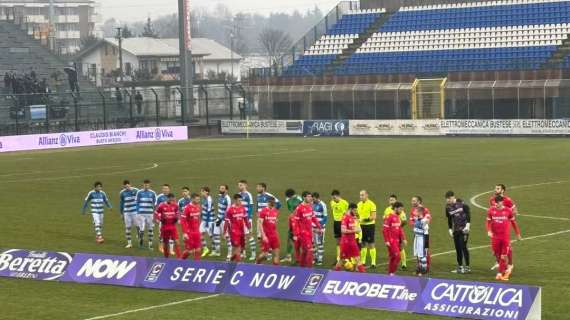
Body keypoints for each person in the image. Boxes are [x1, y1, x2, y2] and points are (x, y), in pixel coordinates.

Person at [487, 196, 522, 281]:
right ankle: (505, 268)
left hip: (505, 237)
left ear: (502, 202)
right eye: (496, 203)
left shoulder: (508, 211)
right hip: (495, 237)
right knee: (496, 254)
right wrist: (488, 231)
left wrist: (518, 233)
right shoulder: (491, 210)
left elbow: (513, 222)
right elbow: (488, 221)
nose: (497, 205)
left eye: (498, 203)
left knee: (503, 256)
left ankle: (499, 273)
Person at [489, 184, 517, 273]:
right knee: (495, 249)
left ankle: (510, 264)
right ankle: (499, 263)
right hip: (495, 227)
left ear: (503, 190)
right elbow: (492, 211)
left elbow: (515, 210)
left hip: (504, 227)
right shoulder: (492, 199)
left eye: (498, 188)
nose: (495, 190)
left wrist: (508, 218)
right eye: (495, 188)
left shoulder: (507, 200)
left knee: (507, 247)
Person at [292, 192, 322, 268]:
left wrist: (319, 227)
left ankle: (301, 267)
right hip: (303, 233)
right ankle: (309, 269)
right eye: (308, 197)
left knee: (305, 251)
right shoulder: (299, 208)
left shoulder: (309, 207)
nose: (310, 198)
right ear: (304, 197)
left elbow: (313, 218)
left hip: (309, 232)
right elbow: (296, 222)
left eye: (310, 197)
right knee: (310, 250)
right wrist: (296, 234)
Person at [445, 191, 471, 274]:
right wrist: (449, 229)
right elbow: (449, 219)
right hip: (456, 230)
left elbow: (468, 214)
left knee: (463, 247)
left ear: (453, 197)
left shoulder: (462, 203)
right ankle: (460, 267)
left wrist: (467, 226)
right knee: (457, 248)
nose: (447, 200)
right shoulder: (448, 207)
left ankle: (467, 267)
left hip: (464, 230)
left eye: (449, 198)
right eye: (446, 199)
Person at [335, 203, 366, 272]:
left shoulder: (352, 218)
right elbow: (343, 230)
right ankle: (333, 274)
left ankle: (365, 277)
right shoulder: (345, 217)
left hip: (353, 242)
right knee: (342, 260)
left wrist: (357, 221)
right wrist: (354, 230)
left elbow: (358, 230)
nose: (356, 212)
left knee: (358, 259)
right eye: (354, 210)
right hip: (345, 242)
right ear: (350, 209)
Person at [256, 183, 282, 261]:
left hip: (267, 219)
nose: (257, 188)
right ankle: (266, 251)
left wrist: (273, 214)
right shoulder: (258, 196)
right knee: (260, 238)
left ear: (263, 188)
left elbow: (279, 204)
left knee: (267, 235)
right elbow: (257, 206)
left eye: (258, 187)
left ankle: (268, 253)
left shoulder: (269, 196)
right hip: (260, 219)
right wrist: (257, 212)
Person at [225, 194, 251, 262]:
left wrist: (249, 229)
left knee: (242, 249)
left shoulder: (242, 208)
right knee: (238, 248)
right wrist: (225, 232)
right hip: (234, 232)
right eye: (239, 200)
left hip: (242, 231)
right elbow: (227, 222)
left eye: (241, 200)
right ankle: (239, 266)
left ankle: (230, 260)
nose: (240, 202)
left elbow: (245, 219)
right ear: (235, 200)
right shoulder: (230, 210)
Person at [383, 202, 407, 276]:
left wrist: (404, 239)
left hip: (396, 241)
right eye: (400, 209)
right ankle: (392, 272)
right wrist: (386, 240)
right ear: (395, 208)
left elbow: (400, 229)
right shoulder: (389, 217)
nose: (401, 211)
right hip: (391, 241)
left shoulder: (397, 217)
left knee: (393, 257)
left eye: (402, 209)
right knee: (397, 257)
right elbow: (384, 229)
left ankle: (390, 273)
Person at [154, 193, 181, 259]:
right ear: (168, 198)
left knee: (177, 242)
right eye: (171, 200)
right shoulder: (162, 205)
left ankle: (179, 258)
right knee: (165, 243)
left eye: (173, 199)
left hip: (173, 227)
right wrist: (158, 219)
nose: (172, 201)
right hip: (165, 227)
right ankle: (166, 258)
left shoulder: (175, 205)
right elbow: (156, 213)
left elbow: (178, 213)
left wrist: (177, 218)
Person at [410, 196, 432, 271]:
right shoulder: (413, 210)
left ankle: (426, 267)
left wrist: (422, 222)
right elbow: (411, 221)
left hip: (424, 234)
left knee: (424, 251)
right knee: (417, 250)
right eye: (412, 201)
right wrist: (415, 223)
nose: (412, 202)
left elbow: (428, 219)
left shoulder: (424, 210)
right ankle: (419, 265)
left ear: (419, 201)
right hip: (416, 233)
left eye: (414, 201)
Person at [281, 188, 303, 263]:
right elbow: (291, 210)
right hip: (292, 221)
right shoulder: (288, 199)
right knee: (289, 237)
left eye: (289, 197)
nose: (288, 198)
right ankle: (288, 256)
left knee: (300, 239)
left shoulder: (300, 199)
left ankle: (303, 257)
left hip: (300, 222)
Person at [358, 190, 378, 269]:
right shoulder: (358, 204)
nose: (361, 197)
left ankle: (373, 262)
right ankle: (363, 261)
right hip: (361, 226)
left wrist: (363, 220)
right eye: (360, 195)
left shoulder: (371, 204)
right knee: (363, 243)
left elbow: (373, 217)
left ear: (367, 195)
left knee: (371, 244)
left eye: (363, 195)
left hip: (369, 226)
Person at [136, 179, 157, 249]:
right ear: (143, 185)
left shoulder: (153, 193)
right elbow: (137, 202)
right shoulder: (139, 192)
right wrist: (137, 211)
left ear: (149, 185)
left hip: (150, 213)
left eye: (147, 185)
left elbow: (155, 204)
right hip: (141, 213)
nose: (146, 186)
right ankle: (141, 240)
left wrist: (154, 213)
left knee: (150, 229)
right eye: (145, 185)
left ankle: (150, 244)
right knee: (142, 229)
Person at [181, 193, 202, 260]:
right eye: (197, 199)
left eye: (199, 199)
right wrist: (184, 233)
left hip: (196, 232)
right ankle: (180, 261)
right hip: (189, 232)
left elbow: (198, 219)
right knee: (190, 251)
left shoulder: (198, 207)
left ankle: (196, 265)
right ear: (192, 199)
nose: (198, 200)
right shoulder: (187, 208)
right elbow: (183, 220)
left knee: (198, 250)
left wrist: (199, 230)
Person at [330, 190, 349, 264]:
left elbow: (348, 214)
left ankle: (346, 258)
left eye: (334, 197)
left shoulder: (345, 203)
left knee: (344, 241)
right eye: (332, 198)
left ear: (338, 196)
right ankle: (338, 258)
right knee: (338, 242)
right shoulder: (332, 202)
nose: (333, 199)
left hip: (343, 223)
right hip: (336, 223)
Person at [237, 180, 255, 260]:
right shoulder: (239, 195)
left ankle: (253, 254)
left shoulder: (248, 195)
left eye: (241, 185)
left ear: (245, 186)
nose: (239, 187)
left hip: (247, 219)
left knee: (249, 236)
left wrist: (249, 218)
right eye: (238, 185)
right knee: (242, 237)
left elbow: (251, 206)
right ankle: (243, 253)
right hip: (240, 219)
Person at [119, 180, 139, 248]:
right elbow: (121, 203)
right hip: (127, 212)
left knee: (137, 226)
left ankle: (139, 234)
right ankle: (129, 243)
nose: (127, 187)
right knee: (128, 227)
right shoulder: (122, 193)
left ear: (130, 185)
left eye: (128, 185)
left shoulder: (136, 190)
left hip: (135, 212)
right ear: (124, 186)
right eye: (125, 186)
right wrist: (121, 213)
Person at [216, 185, 233, 261]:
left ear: (226, 190)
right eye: (220, 188)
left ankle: (229, 254)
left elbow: (227, 211)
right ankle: (217, 251)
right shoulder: (220, 196)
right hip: (218, 219)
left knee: (227, 237)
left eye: (222, 188)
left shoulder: (227, 199)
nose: (220, 189)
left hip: (224, 220)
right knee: (215, 235)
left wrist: (221, 219)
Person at [413, 207, 430, 276]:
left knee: (422, 255)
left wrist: (426, 245)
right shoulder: (417, 219)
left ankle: (424, 270)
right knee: (418, 255)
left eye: (415, 211)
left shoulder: (424, 221)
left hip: (421, 239)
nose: (414, 212)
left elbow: (426, 233)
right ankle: (419, 269)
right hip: (416, 238)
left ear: (420, 213)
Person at [312, 192, 328, 265]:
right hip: (312, 227)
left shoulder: (323, 205)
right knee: (312, 242)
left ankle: (320, 259)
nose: (312, 199)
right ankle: (315, 257)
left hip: (320, 228)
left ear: (317, 198)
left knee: (320, 243)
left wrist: (319, 226)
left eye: (313, 198)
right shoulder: (312, 204)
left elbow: (325, 218)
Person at [156, 184, 173, 254]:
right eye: (164, 188)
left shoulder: (171, 197)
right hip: (162, 219)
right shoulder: (159, 197)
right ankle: (160, 247)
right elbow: (156, 208)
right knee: (161, 234)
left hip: (170, 219)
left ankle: (171, 250)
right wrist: (157, 218)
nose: (165, 190)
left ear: (169, 189)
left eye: (167, 189)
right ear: (162, 189)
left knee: (171, 234)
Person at [200, 187, 215, 257]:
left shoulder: (209, 199)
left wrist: (206, 223)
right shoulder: (203, 199)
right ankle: (205, 249)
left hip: (209, 221)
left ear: (206, 192)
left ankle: (214, 250)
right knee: (200, 234)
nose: (201, 193)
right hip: (204, 220)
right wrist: (201, 216)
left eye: (202, 191)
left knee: (211, 236)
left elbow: (209, 211)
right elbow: (204, 209)